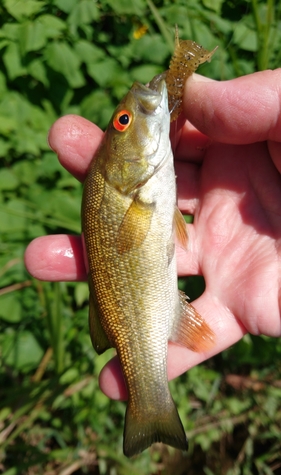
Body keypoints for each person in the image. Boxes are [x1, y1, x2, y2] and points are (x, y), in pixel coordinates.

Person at [25, 70, 281, 400]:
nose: (133, 108)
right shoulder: (118, 187)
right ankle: (151, 403)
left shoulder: (124, 184)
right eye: (124, 121)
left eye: (122, 119)